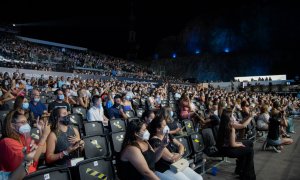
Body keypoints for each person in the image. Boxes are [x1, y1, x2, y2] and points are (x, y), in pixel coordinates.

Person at [0, 110, 50, 174]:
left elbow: (43, 150)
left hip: (31, 173)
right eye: (23, 122)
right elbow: (34, 158)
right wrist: (44, 136)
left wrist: (40, 130)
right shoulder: (7, 142)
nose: (26, 125)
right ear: (12, 125)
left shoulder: (23, 136)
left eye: (26, 122)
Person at [217, 108, 256, 180]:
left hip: (224, 147)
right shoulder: (231, 127)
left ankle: (241, 170)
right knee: (250, 151)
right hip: (228, 149)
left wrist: (239, 143)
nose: (233, 117)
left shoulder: (224, 125)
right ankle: (247, 175)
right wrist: (240, 144)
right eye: (232, 115)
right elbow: (232, 144)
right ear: (229, 118)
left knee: (249, 143)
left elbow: (241, 123)